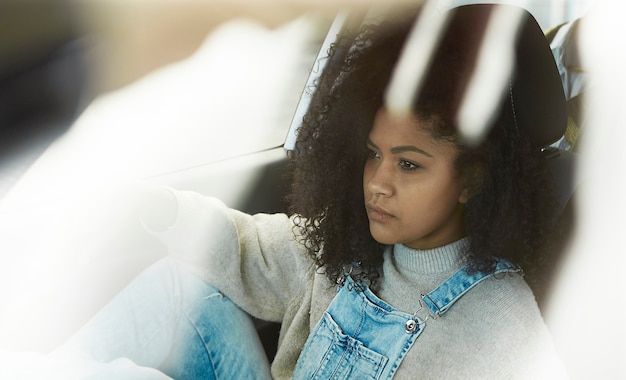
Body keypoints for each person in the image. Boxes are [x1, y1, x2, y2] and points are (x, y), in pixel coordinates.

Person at [47, 3, 567, 379]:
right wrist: (155, 208)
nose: (378, 182)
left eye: (409, 164)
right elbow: (248, 247)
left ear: (472, 181)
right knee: (177, 289)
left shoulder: (502, 323)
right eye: (372, 153)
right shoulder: (349, 247)